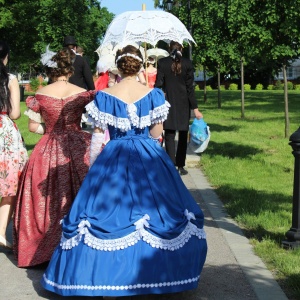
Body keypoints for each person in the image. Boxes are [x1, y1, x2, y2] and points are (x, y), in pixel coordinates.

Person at [41, 45, 207, 298]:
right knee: (158, 210)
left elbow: (97, 136)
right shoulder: (154, 95)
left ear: (118, 66)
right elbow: (156, 133)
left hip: (114, 154)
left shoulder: (105, 96)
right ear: (140, 66)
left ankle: (98, 277)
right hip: (147, 155)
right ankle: (160, 274)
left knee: (106, 213)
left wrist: (95, 165)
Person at [13, 47, 97, 267]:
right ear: (70, 69)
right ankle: (77, 244)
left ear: (51, 69)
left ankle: (41, 248)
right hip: (78, 145)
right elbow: (96, 122)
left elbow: (32, 127)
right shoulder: (82, 93)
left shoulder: (40, 95)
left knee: (44, 196)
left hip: (47, 147)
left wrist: (51, 131)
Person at [155, 41, 203, 176]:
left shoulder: (163, 63)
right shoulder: (187, 63)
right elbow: (190, 89)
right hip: (184, 104)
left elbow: (159, 84)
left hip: (168, 102)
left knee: (169, 134)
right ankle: (181, 165)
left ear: (169, 49)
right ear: (181, 48)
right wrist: (195, 108)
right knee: (183, 134)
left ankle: (170, 165)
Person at [0, 41, 28, 249]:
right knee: (10, 183)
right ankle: (1, 231)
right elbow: (15, 113)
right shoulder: (10, 79)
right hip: (4, 133)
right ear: (6, 56)